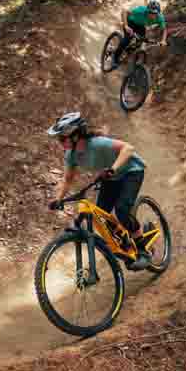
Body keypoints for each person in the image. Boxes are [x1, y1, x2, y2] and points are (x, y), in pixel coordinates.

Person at [46, 112, 154, 270]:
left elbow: (128, 148)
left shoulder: (98, 143)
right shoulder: (71, 155)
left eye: (62, 138)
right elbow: (68, 179)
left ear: (76, 135)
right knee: (101, 216)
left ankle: (143, 251)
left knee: (122, 210)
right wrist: (59, 199)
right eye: (59, 139)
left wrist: (113, 169)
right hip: (111, 178)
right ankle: (126, 241)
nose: (60, 142)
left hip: (131, 171)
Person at [112, 0, 167, 65]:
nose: (152, 15)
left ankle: (127, 53)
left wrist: (163, 40)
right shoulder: (141, 11)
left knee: (140, 41)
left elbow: (164, 29)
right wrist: (126, 26)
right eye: (150, 12)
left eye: (155, 13)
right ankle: (115, 58)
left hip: (141, 26)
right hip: (130, 22)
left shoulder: (160, 18)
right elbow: (124, 11)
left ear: (158, 13)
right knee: (127, 40)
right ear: (147, 11)